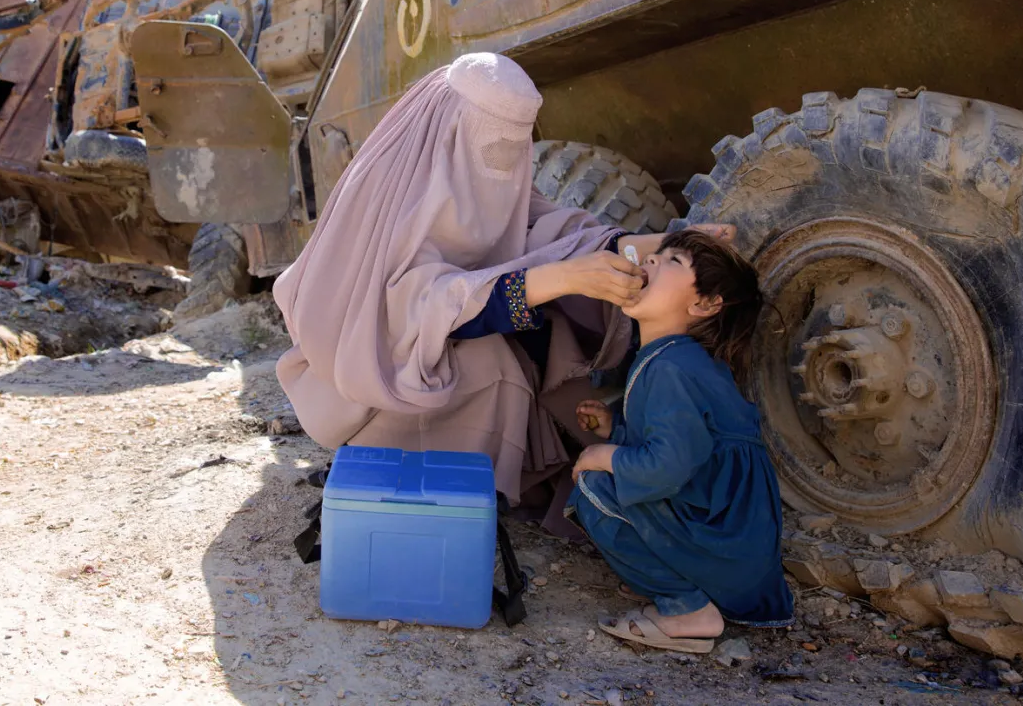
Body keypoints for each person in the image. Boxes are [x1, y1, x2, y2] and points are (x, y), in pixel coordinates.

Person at [273, 52, 725, 507]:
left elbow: (551, 233)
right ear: (451, 125)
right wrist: (558, 277)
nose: (503, 159)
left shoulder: (492, 171)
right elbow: (404, 315)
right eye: (494, 143)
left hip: (444, 336)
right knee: (492, 363)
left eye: (517, 145)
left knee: (529, 338)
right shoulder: (388, 186)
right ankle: (405, 465)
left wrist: (664, 244)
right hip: (366, 376)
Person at [567, 229, 794, 654]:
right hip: (735, 552)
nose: (651, 261)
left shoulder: (671, 366)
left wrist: (604, 454)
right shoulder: (677, 359)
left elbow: (667, 468)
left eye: (672, 262)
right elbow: (685, 454)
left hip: (727, 552)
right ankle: (683, 581)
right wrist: (614, 429)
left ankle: (688, 610)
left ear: (704, 305)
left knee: (594, 490)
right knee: (608, 478)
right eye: (658, 255)